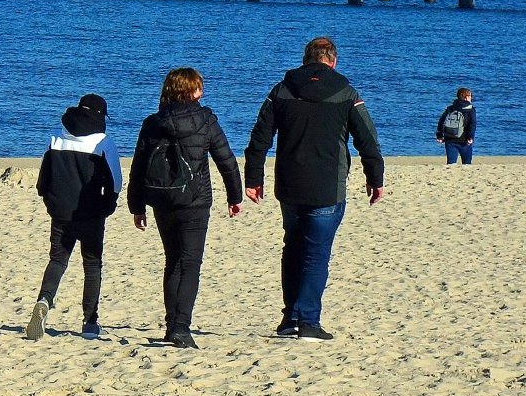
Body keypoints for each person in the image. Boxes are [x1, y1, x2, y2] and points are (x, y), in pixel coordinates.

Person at [244, 37, 385, 342]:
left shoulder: (282, 90)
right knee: (316, 253)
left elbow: (259, 138)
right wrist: (375, 178)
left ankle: (290, 318)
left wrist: (253, 178)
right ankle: (307, 320)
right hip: (327, 186)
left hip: (290, 184)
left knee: (293, 249)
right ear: (332, 61)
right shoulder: (346, 92)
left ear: (306, 59)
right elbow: (367, 141)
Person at [127, 68, 243, 349]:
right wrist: (234, 195)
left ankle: (172, 325)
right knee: (190, 263)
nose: (202, 93)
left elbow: (138, 167)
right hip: (195, 201)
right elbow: (226, 160)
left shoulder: (153, 123)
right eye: (199, 88)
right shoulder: (205, 120)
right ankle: (181, 327)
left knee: (173, 261)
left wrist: (136, 205)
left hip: (162, 200)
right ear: (192, 92)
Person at [26, 94, 122, 341]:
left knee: (57, 260)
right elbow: (115, 184)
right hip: (91, 214)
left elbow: (42, 181)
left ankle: (44, 301)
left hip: (60, 212)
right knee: (92, 265)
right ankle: (90, 322)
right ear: (101, 116)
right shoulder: (103, 143)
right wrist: (107, 208)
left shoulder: (57, 138)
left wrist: (51, 204)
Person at [436, 87, 476, 165]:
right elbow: (472, 124)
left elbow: (442, 121)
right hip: (465, 141)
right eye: (470, 96)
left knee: (451, 164)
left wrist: (440, 135)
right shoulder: (471, 109)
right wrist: (470, 137)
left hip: (450, 138)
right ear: (466, 97)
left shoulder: (451, 108)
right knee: (467, 164)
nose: (471, 98)